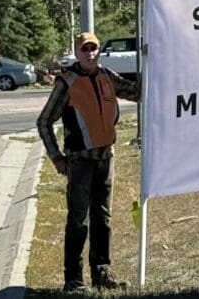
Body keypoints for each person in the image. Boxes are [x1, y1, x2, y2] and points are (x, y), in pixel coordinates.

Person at [37, 31, 141, 292]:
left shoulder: (107, 76)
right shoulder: (67, 82)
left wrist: (153, 61)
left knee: (102, 219)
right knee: (78, 221)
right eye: (85, 49)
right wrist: (56, 158)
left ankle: (102, 274)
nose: (90, 53)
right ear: (77, 53)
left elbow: (137, 93)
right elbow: (44, 121)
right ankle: (73, 281)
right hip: (80, 163)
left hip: (106, 159)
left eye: (94, 48)